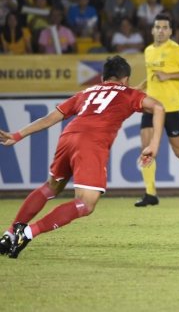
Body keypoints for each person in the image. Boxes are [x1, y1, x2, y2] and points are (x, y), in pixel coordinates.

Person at [0, 56, 164, 259]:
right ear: (126, 79)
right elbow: (158, 107)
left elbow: (50, 118)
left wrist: (17, 135)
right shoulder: (130, 93)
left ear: (103, 77)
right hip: (91, 143)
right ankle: (26, 233)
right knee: (86, 203)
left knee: (51, 187)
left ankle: (8, 234)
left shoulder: (86, 92)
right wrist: (153, 145)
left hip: (68, 137)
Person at [134, 13, 179, 207]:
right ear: (152, 30)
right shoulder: (148, 51)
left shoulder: (176, 50)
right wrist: (141, 87)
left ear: (171, 31)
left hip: (172, 108)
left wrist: (169, 75)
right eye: (157, 27)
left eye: (165, 27)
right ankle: (150, 193)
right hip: (151, 107)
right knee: (146, 149)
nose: (161, 31)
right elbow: (153, 77)